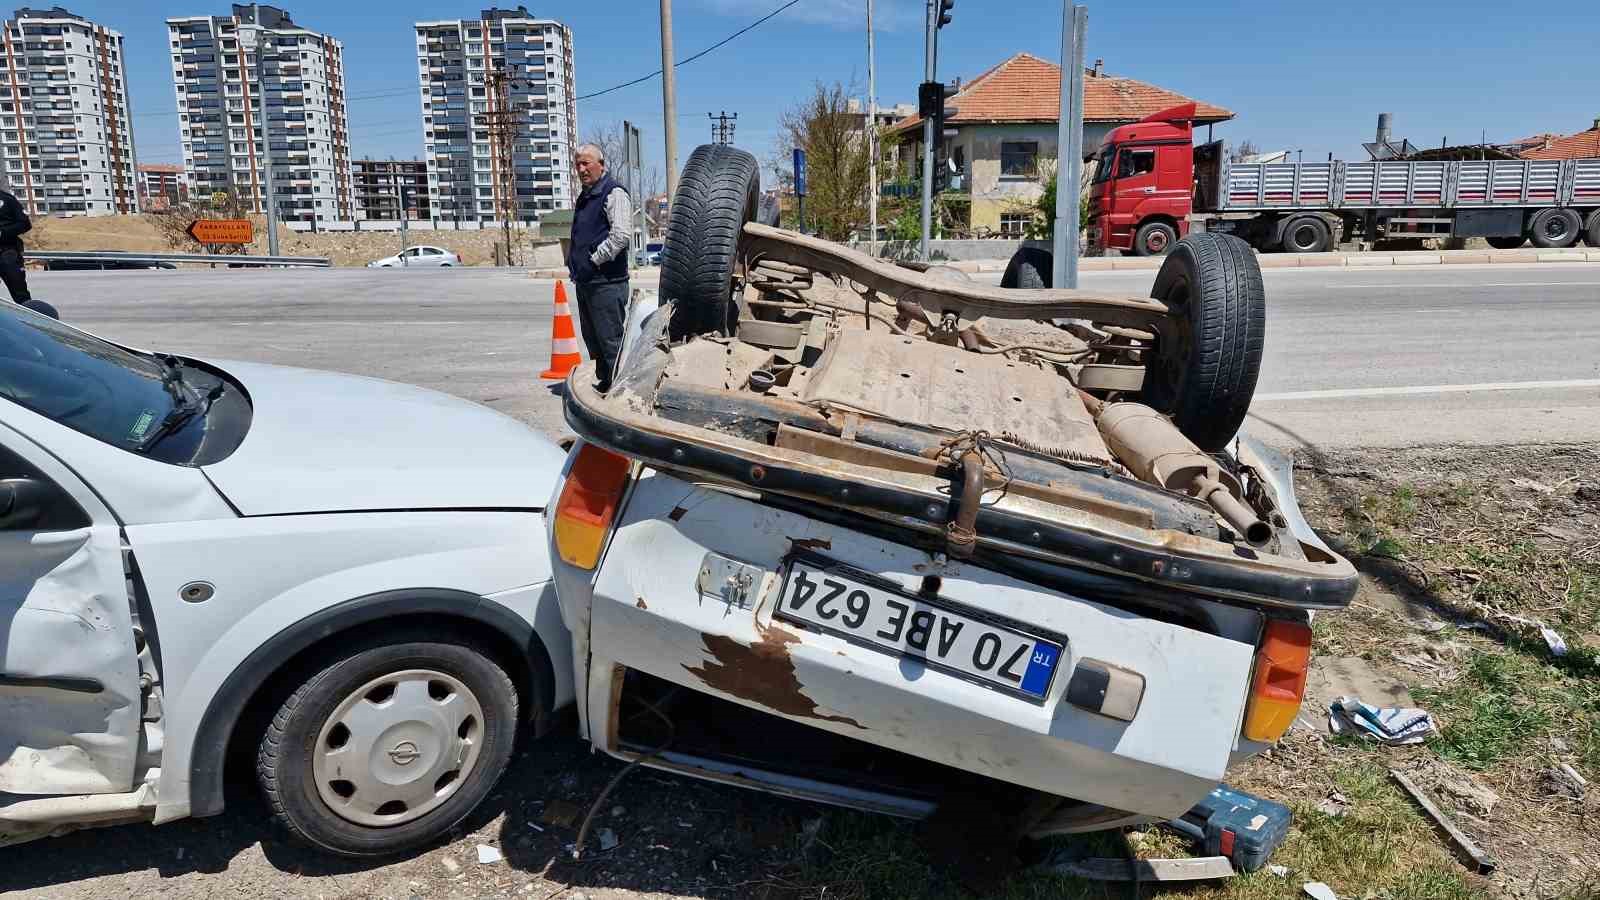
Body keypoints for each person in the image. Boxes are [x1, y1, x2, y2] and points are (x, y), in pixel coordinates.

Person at [567, 143, 632, 393]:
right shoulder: (586, 195)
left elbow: (621, 236)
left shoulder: (613, 193)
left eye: (587, 163)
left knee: (610, 341)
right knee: (594, 341)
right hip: (587, 283)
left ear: (601, 165)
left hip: (607, 283)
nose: (581, 169)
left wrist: (592, 261)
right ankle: (606, 383)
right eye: (578, 164)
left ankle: (620, 391)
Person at [0, 184, 33, 305]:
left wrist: (3, 233)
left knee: (21, 295)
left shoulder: (8, 200)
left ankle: (29, 321)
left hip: (7, 253)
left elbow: (25, 224)